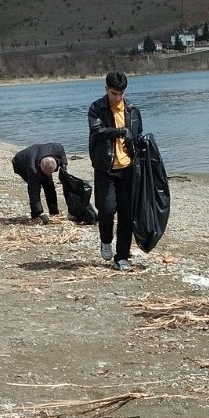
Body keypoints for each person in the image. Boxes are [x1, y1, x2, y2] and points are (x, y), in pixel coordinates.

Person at [87, 70, 143, 271]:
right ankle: (105, 239)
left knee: (126, 214)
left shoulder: (133, 111)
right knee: (107, 210)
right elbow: (97, 132)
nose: (117, 98)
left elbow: (139, 136)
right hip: (105, 169)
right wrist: (120, 132)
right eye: (113, 93)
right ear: (106, 90)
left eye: (121, 94)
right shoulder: (96, 109)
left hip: (128, 170)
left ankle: (122, 257)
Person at [11, 142, 67, 223]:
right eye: (46, 173)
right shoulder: (33, 169)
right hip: (19, 164)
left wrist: (64, 165)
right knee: (36, 186)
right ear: (41, 167)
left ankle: (54, 212)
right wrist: (40, 212)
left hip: (37, 155)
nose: (48, 175)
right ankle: (36, 214)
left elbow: (62, 150)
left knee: (49, 186)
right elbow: (33, 192)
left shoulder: (56, 148)